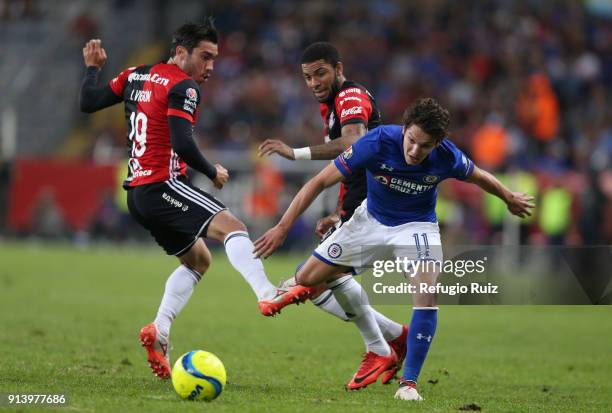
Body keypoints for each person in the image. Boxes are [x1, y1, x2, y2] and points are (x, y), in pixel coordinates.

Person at [254, 98, 535, 397]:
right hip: (369, 221)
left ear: (437, 143)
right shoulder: (377, 142)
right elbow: (320, 181)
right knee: (310, 278)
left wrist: (508, 197)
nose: (414, 151)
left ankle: (409, 383)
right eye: (411, 140)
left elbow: (479, 176)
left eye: (424, 146)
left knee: (426, 294)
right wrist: (283, 226)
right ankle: (390, 339)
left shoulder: (447, 156)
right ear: (404, 129)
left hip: (416, 228)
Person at [79, 19, 305, 380]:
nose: (211, 67)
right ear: (180, 53)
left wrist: (92, 69)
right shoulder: (182, 86)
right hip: (161, 183)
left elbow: (89, 101)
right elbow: (182, 142)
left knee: (198, 260)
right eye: (205, 57)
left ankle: (160, 330)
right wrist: (212, 172)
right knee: (233, 226)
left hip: (137, 194)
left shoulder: (134, 75)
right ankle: (266, 292)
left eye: (214, 59)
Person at [258, 42, 407, 383]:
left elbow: (353, 144)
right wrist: (341, 213)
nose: (313, 82)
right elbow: (353, 165)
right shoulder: (331, 104)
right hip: (362, 203)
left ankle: (382, 348)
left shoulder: (349, 97)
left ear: (339, 69)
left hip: (376, 207)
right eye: (307, 77)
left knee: (316, 277)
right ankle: (396, 338)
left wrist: (294, 153)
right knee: (322, 281)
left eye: (321, 73)